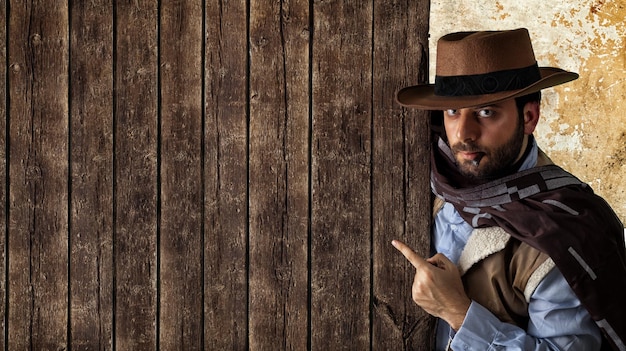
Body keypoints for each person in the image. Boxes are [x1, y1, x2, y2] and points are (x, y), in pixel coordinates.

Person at [392, 28, 626, 350]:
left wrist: (459, 313)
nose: (463, 133)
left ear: (529, 117)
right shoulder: (430, 178)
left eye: (486, 112)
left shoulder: (558, 234)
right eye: (452, 111)